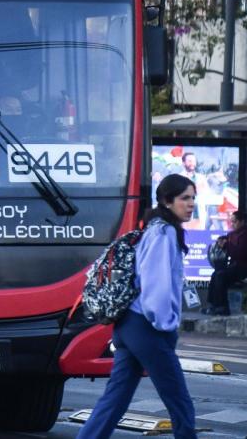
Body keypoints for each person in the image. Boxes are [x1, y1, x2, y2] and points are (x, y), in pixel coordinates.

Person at [76, 174, 198, 439]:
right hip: (146, 327)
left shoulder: (155, 229)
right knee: (179, 402)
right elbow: (155, 284)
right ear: (167, 201)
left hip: (130, 326)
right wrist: (165, 325)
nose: (191, 204)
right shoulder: (163, 233)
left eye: (192, 198)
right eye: (184, 198)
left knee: (115, 400)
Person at [203, 209, 247, 316]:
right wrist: (222, 240)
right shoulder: (234, 234)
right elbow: (229, 238)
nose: (232, 224)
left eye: (235, 222)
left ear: (242, 222)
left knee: (221, 275)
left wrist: (226, 246)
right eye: (231, 222)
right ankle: (212, 305)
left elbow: (240, 253)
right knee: (216, 274)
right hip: (236, 267)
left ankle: (222, 307)